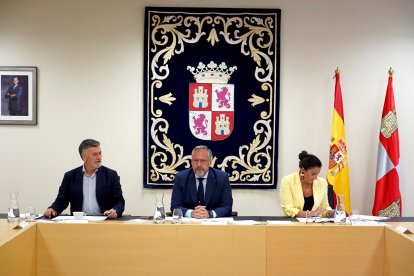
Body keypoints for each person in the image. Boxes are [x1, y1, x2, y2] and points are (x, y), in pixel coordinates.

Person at [44, 139, 125, 219]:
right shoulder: (70, 176)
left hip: (104, 221)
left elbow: (119, 200)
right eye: (94, 154)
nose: (99, 157)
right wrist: (53, 209)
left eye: (100, 153)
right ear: (84, 157)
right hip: (79, 222)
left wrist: (116, 210)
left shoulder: (111, 175)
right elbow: (61, 200)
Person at [171, 145, 233, 218]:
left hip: (213, 225)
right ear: (191, 162)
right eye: (196, 160)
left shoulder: (222, 178)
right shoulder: (181, 178)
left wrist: (210, 213)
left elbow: (227, 207)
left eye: (203, 161)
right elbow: (175, 207)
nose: (199, 164)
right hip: (188, 225)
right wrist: (191, 213)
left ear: (210, 162)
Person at [280, 150, 333, 218]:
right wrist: (311, 213)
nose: (315, 178)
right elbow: (288, 210)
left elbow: (324, 206)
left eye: (317, 174)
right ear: (302, 170)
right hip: (293, 224)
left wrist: (329, 212)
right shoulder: (287, 181)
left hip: (315, 225)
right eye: (313, 174)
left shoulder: (322, 182)